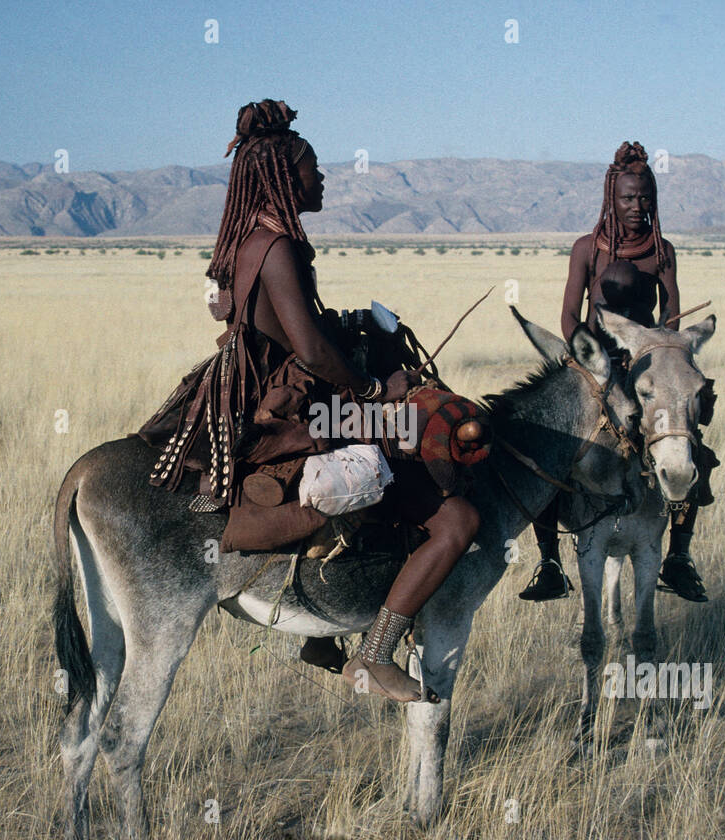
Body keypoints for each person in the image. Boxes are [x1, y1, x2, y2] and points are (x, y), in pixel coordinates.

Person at [143, 100, 479, 702]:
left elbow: (288, 328)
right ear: (280, 175)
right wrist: (378, 390)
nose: (319, 178)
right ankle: (373, 653)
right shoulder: (278, 246)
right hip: (296, 410)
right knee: (455, 517)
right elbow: (313, 353)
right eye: (311, 168)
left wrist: (346, 328)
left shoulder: (252, 241)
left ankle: (325, 631)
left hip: (258, 394)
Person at [518, 141, 712, 603]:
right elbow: (569, 313)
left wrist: (653, 355)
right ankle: (548, 562)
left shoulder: (662, 251)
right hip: (592, 363)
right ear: (611, 198)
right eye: (628, 198)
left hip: (644, 361)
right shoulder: (587, 248)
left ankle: (678, 556)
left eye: (645, 198)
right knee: (550, 446)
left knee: (689, 441)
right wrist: (586, 357)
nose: (637, 206)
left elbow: (672, 315)